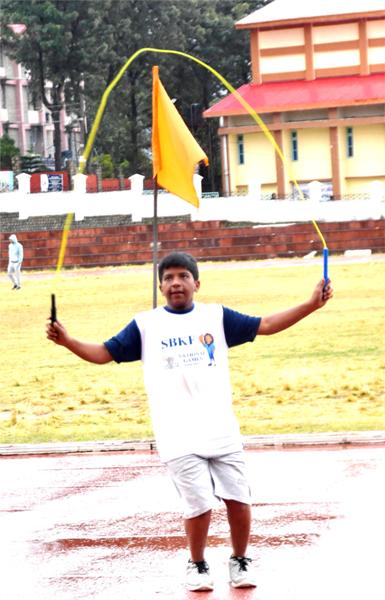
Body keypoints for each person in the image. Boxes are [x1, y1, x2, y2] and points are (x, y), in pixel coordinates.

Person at [46, 251, 333, 592]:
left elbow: (266, 325)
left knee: (239, 499)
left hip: (221, 430)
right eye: (168, 278)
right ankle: (197, 564)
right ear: (160, 286)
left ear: (197, 283)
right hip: (177, 434)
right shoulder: (146, 325)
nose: (175, 283)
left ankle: (240, 560)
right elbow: (104, 353)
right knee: (197, 504)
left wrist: (311, 304)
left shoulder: (216, 317)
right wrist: (67, 342)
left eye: (183, 276)